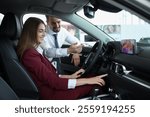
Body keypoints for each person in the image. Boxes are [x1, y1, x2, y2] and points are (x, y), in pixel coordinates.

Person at [17, 17, 107, 100]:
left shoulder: (34, 51)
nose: (44, 35)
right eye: (40, 31)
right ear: (31, 32)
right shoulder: (30, 55)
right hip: (53, 94)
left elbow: (51, 76)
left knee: (92, 79)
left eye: (44, 31)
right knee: (95, 83)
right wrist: (88, 81)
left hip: (53, 88)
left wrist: (71, 76)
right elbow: (54, 81)